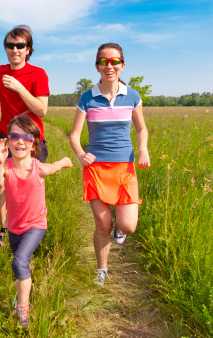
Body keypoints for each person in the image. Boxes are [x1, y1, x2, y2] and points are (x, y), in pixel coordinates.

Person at [69, 43, 150, 287]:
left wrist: (143, 148)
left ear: (122, 65)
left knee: (128, 225)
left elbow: (141, 127)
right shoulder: (88, 98)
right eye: (104, 62)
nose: (109, 66)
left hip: (125, 166)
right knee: (103, 224)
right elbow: (74, 135)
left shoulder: (133, 96)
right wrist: (81, 154)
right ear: (97, 66)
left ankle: (121, 229)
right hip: (96, 169)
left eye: (114, 61)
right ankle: (101, 269)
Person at [0, 116, 72, 326]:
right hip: (15, 228)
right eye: (14, 136)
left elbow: (53, 166)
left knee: (18, 262)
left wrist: (64, 162)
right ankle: (21, 300)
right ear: (7, 141)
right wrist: (0, 162)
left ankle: (23, 311)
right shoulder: (6, 167)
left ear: (34, 143)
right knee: (21, 267)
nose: (20, 141)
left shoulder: (39, 168)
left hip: (36, 224)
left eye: (26, 137)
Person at [0, 25, 51, 246]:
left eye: (20, 45)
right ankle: (4, 229)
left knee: (31, 184)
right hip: (5, 134)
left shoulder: (38, 74)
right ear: (5, 48)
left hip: (32, 137)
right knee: (3, 182)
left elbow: (41, 110)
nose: (15, 50)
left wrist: (20, 88)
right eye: (10, 45)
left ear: (28, 49)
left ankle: (33, 229)